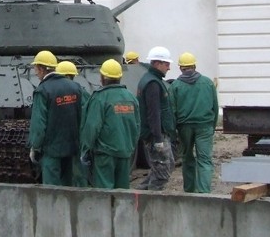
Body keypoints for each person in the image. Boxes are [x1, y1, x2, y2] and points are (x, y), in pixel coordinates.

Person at [80, 59, 140, 189]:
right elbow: (137, 126)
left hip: (105, 155)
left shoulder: (100, 98)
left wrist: (85, 149)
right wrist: (129, 147)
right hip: (124, 153)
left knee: (104, 193)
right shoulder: (130, 98)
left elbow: (92, 128)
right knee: (122, 191)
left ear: (102, 77)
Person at [28, 51, 82, 186]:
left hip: (51, 150)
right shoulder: (74, 87)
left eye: (36, 68)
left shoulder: (43, 90)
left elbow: (38, 124)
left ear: (41, 68)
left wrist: (35, 147)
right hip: (72, 147)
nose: (35, 72)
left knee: (51, 189)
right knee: (68, 185)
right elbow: (82, 116)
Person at [169, 52, 219, 193]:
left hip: (184, 127)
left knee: (187, 158)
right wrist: (212, 127)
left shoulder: (175, 86)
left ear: (180, 68)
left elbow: (172, 111)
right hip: (205, 126)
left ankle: (189, 190)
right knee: (204, 159)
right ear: (195, 66)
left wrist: (175, 131)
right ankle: (204, 192)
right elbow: (215, 107)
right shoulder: (208, 83)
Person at [136, 46, 176, 190]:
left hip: (156, 133)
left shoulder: (151, 80)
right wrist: (158, 139)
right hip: (156, 135)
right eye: (166, 64)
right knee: (162, 173)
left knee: (166, 165)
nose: (169, 67)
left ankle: (142, 193)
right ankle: (150, 201)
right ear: (157, 64)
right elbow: (154, 113)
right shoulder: (152, 83)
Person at [55, 60, 90, 187]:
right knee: (78, 171)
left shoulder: (52, 92)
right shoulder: (81, 91)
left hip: (60, 140)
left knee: (67, 171)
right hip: (77, 138)